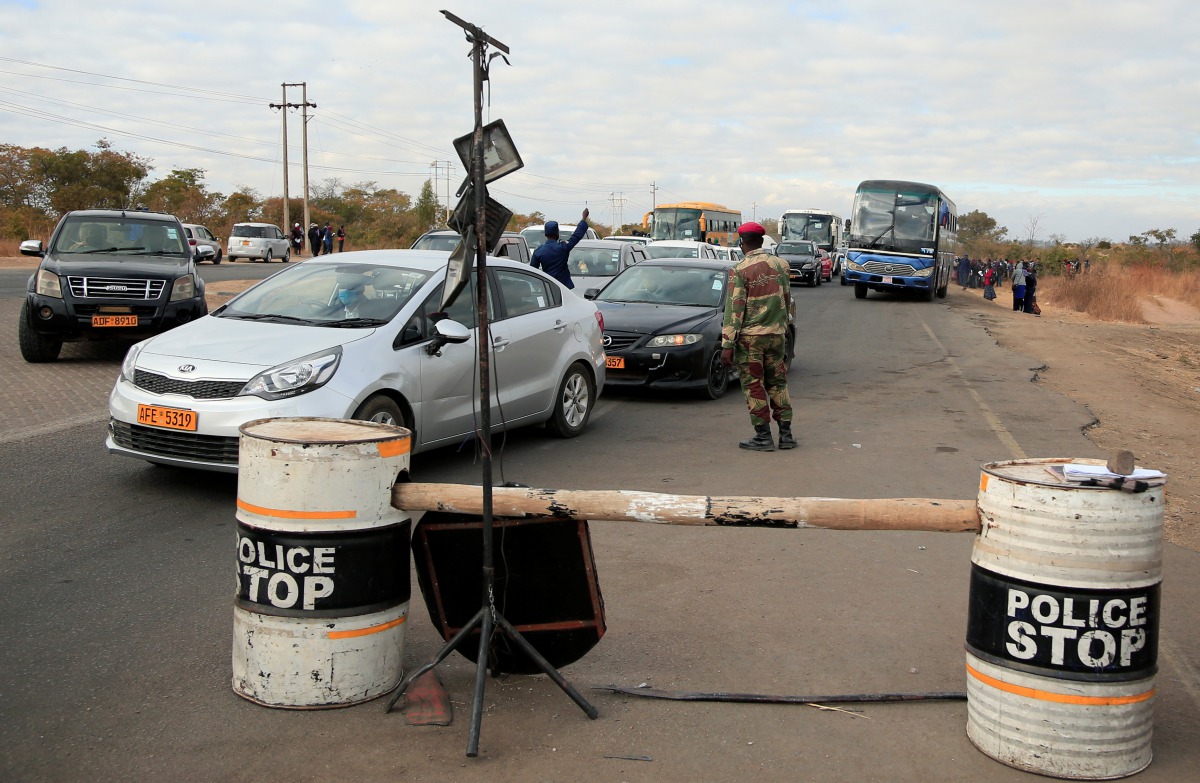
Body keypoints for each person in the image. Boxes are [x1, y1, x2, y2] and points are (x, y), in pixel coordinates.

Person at [720, 221, 795, 451]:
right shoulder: (782, 265)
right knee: (778, 383)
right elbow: (786, 299)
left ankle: (763, 437)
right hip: (777, 335)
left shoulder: (740, 269)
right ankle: (786, 435)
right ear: (762, 241)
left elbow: (735, 308)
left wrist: (727, 344)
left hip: (751, 339)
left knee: (753, 385)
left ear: (743, 243)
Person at [531, 208, 590, 289]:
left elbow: (533, 272)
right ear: (557, 233)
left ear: (545, 234)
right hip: (563, 287)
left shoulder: (538, 251)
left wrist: (539, 288)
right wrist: (583, 218)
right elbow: (576, 236)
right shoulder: (563, 247)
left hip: (548, 288)